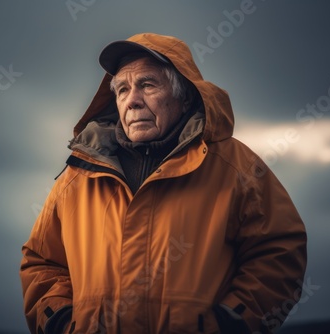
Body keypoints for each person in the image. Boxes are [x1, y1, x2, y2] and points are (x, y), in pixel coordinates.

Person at [20, 33, 307, 334]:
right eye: (122, 90)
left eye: (147, 85)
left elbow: (280, 249)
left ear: (184, 95)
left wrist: (231, 321)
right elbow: (41, 261)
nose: (132, 101)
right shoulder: (79, 176)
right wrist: (61, 321)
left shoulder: (236, 167)